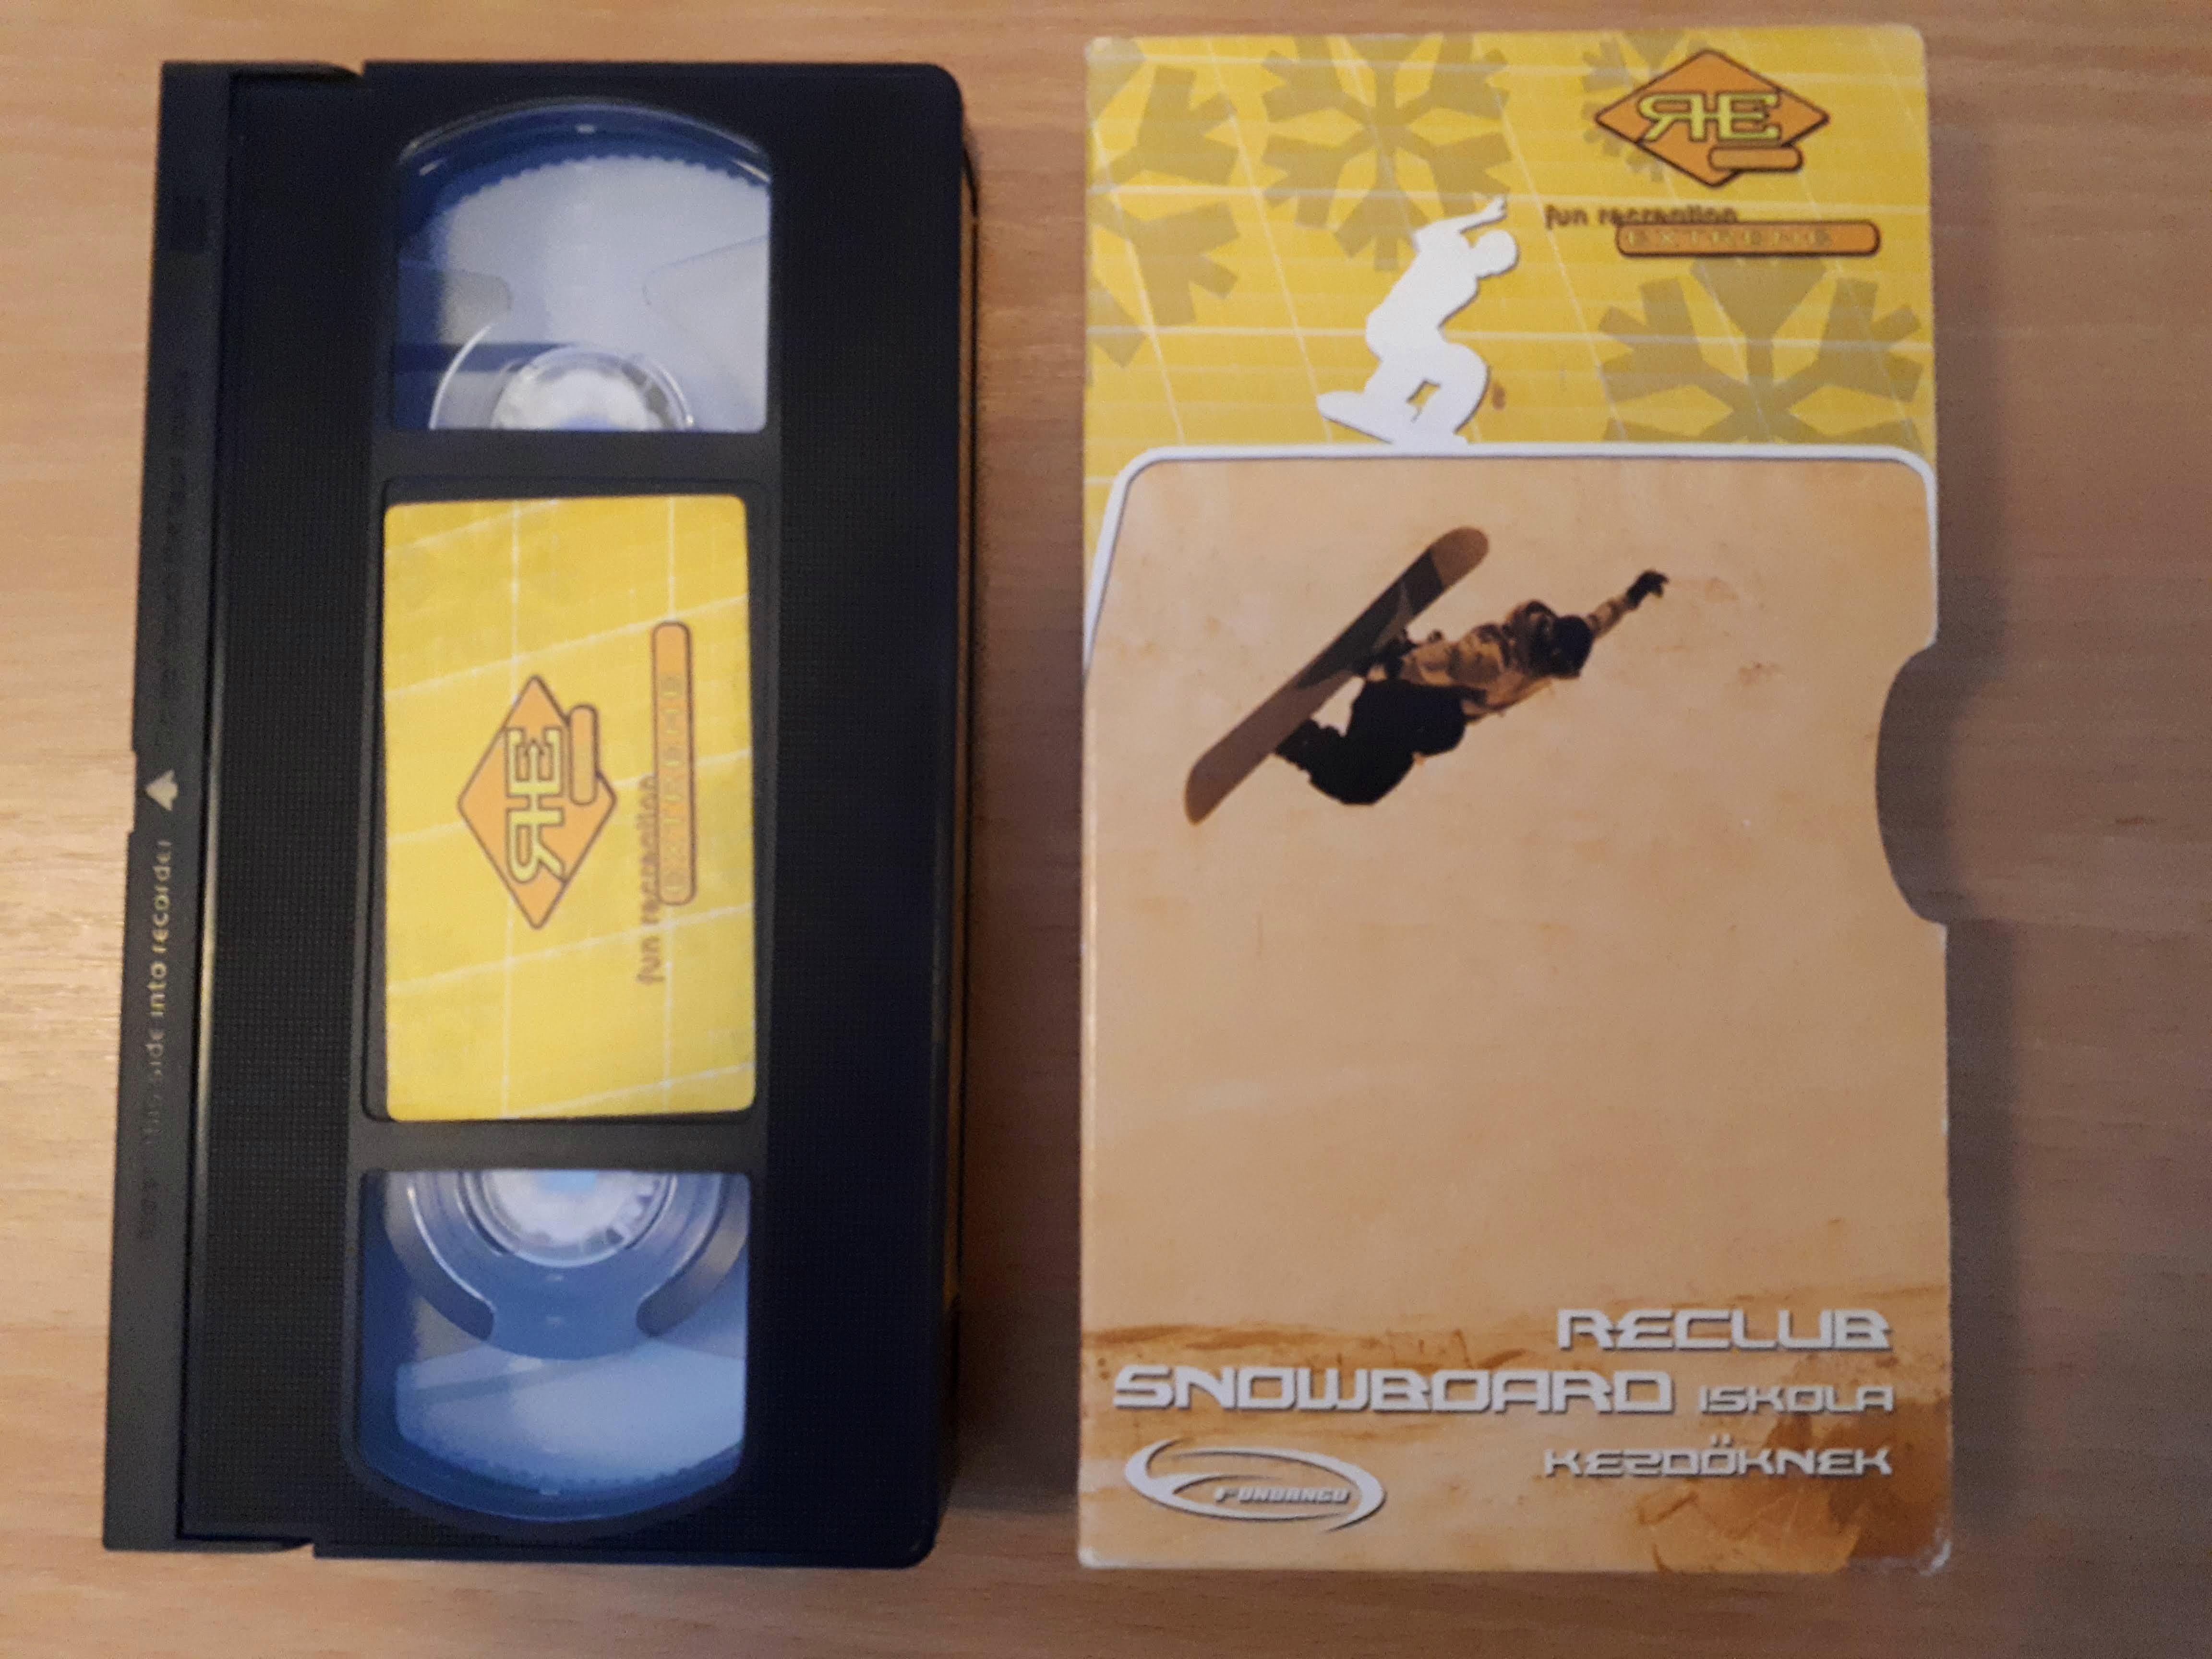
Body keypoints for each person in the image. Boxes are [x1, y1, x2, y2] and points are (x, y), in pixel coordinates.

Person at [1275, 570, 1668, 805]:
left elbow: (1597, 623)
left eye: (1558, 672)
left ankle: (1301, 742)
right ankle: (1392, 654)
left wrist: (1632, 597)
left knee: (1362, 785)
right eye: (1553, 666)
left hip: (1403, 719)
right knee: (1448, 731)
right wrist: (1388, 668)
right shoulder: (1496, 658)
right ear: (1545, 647)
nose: (1548, 674)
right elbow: (1447, 660)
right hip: (1406, 697)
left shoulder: (1546, 657)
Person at [1316, 198, 1520, 448]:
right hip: (1394, 326)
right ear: (1484, 249)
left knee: (1467, 368)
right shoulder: (1451, 250)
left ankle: (1430, 424)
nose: (1492, 270)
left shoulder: (1469, 283)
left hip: (1419, 334)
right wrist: (1481, 218)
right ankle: (1382, 403)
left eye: (1498, 268)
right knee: (1427, 354)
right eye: (1494, 261)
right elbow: (1432, 232)